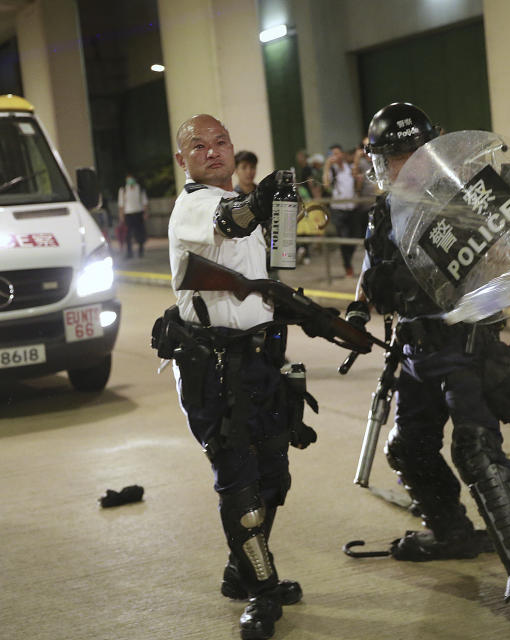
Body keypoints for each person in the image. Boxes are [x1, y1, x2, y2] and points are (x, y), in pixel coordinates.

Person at [344, 102, 510, 624]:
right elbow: (374, 272)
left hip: (462, 348)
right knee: (409, 448)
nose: (397, 166)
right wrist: (354, 309)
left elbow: (509, 264)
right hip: (413, 352)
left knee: (477, 451)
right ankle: (451, 533)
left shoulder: (466, 199)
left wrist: (487, 281)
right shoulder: (383, 212)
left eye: (406, 154)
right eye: (389, 158)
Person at [163, 114, 312, 640]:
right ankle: (261, 591)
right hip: (215, 369)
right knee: (241, 486)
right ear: (183, 161)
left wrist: (285, 213)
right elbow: (231, 220)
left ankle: (241, 570)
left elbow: (279, 263)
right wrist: (263, 197)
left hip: (260, 362)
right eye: (197, 147)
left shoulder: (243, 205)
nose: (212, 152)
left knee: (274, 475)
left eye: (220, 142)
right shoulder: (195, 206)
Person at [323, 144, 364, 277]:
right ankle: (347, 265)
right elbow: (326, 185)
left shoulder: (349, 168)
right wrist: (327, 165)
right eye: (333, 154)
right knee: (343, 237)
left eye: (337, 153)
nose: (335, 156)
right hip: (338, 209)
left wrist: (359, 180)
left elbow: (357, 185)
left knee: (354, 236)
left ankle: (348, 261)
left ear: (342, 154)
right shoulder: (332, 170)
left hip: (352, 208)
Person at [117, 172, 148, 258]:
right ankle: (129, 252)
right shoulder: (123, 190)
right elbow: (121, 204)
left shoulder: (140, 189)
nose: (130, 181)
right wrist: (121, 215)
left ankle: (141, 250)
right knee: (128, 234)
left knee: (140, 233)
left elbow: (144, 202)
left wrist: (145, 213)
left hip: (138, 213)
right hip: (128, 214)